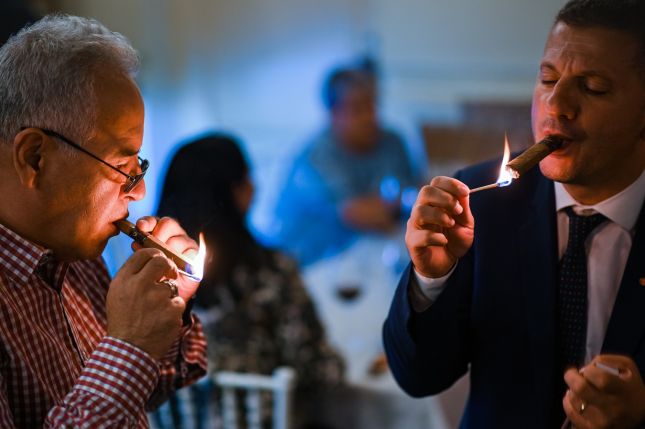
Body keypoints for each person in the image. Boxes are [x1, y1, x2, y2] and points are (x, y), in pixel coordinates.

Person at [383, 0, 645, 427]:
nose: (556, 105)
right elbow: (417, 376)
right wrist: (430, 280)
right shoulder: (482, 204)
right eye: (547, 79)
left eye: (593, 86)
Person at [0, 15, 207, 428]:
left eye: (139, 164)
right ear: (35, 157)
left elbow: (153, 384)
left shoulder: (77, 257)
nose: (140, 192)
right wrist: (128, 345)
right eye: (122, 166)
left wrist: (168, 307)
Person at [156, 134, 345, 428]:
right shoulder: (270, 272)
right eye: (247, 177)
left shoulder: (145, 285)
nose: (254, 186)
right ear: (233, 192)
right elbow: (319, 369)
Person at [271, 64, 417, 266]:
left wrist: (384, 207)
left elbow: (415, 198)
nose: (369, 117)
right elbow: (359, 214)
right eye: (357, 109)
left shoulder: (392, 141)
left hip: (367, 259)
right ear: (333, 113)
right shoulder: (317, 157)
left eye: (373, 105)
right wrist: (384, 206)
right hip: (309, 264)